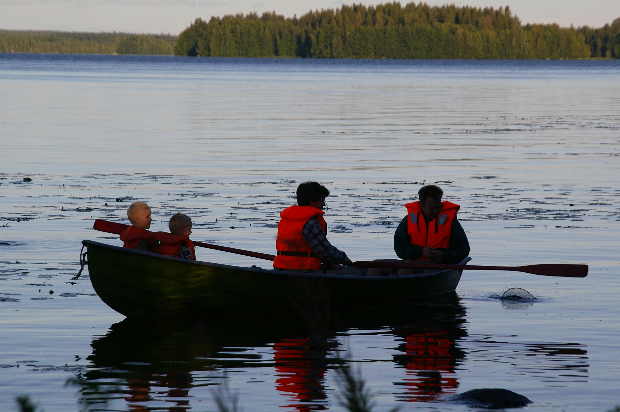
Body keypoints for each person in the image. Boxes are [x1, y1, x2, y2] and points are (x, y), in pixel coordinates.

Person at [273, 182, 352, 271]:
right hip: (304, 269)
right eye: (322, 200)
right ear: (312, 201)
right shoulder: (310, 222)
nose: (323, 205)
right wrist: (347, 261)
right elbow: (325, 250)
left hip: (280, 266)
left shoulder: (286, 220)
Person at [394, 185, 469, 263]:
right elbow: (400, 249)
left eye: (438, 207)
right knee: (403, 271)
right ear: (421, 205)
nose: (435, 211)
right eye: (431, 208)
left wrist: (443, 255)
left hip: (440, 264)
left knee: (404, 272)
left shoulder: (451, 222)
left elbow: (464, 250)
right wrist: (420, 252)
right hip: (413, 263)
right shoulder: (408, 220)